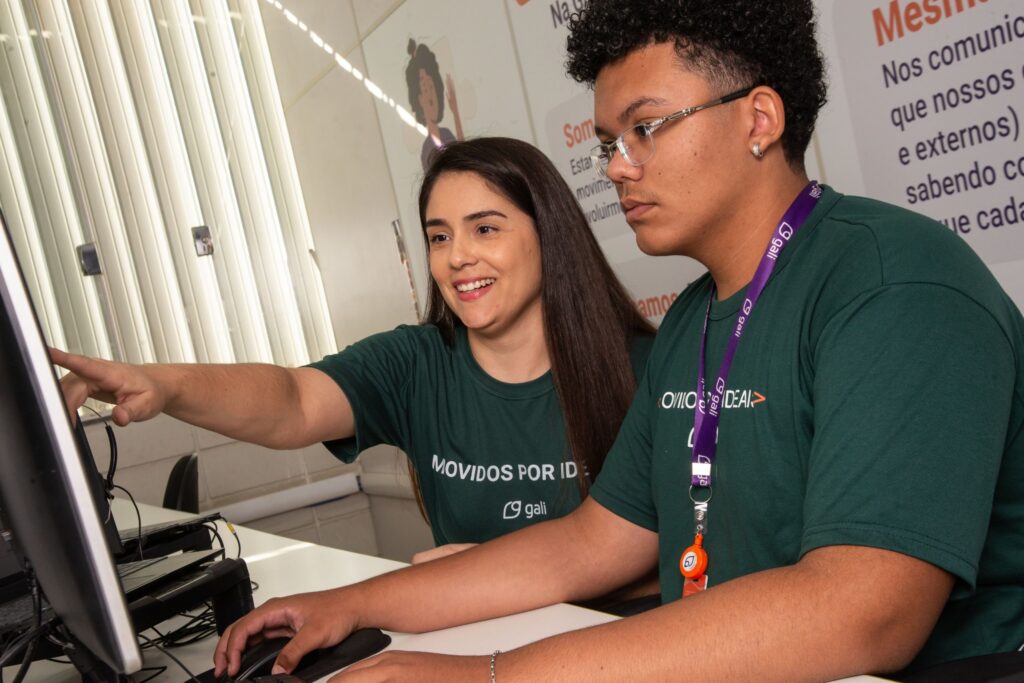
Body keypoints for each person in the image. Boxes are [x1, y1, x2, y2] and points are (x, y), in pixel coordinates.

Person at [213, 1, 1024, 681]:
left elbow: (861, 611)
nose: (617, 168)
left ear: (759, 118)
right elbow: (589, 542)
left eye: (644, 128)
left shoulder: (895, 287)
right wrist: (358, 602)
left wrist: (495, 674)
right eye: (608, 142)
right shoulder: (692, 321)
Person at [54, 137, 655, 562]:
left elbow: (688, 562)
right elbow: (290, 401)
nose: (457, 256)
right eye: (438, 237)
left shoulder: (645, 367)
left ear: (549, 235)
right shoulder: (416, 364)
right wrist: (163, 384)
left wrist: (495, 574)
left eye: (486, 228)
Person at [405, 39, 464, 171]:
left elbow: (463, 156)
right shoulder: (427, 150)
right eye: (426, 89)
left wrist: (455, 112)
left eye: (432, 87)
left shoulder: (446, 133)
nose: (432, 96)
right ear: (419, 100)